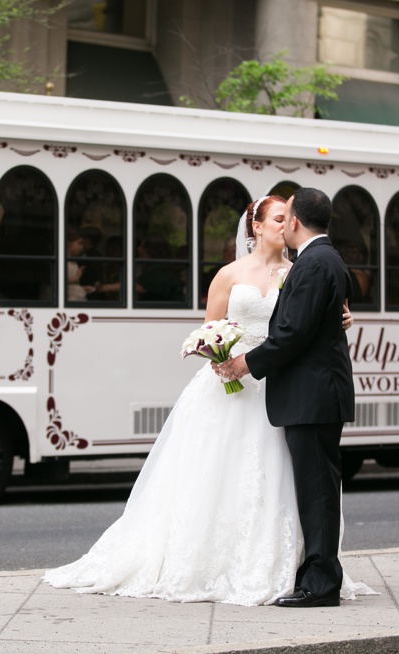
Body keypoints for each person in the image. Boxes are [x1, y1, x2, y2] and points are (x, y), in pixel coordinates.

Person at [43, 195, 374, 607]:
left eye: (287, 218)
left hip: (275, 383)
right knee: (222, 476)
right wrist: (219, 352)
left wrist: (344, 316)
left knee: (289, 483)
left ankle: (294, 567)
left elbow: (309, 320)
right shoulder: (230, 275)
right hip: (240, 383)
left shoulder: (303, 267)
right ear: (256, 226)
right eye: (277, 218)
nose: (283, 225)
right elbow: (210, 329)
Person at [216, 188, 356, 608]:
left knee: (316, 492)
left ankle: (320, 583)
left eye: (285, 217)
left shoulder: (312, 263)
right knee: (317, 491)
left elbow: (291, 335)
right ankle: (316, 573)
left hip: (311, 396)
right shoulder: (325, 259)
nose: (282, 224)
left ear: (295, 221)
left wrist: (245, 364)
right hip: (312, 394)